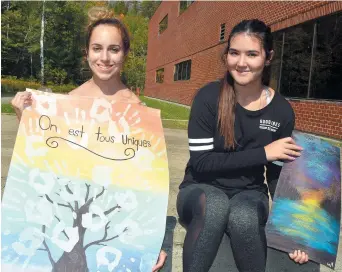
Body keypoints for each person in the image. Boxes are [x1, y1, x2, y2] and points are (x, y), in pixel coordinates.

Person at [11, 7, 167, 272]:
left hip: (110, 230)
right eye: (97, 48)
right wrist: (24, 120)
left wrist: (149, 243)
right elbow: (48, 166)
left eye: (113, 49)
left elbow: (146, 186)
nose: (104, 58)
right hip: (65, 226)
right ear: (87, 53)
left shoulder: (140, 115)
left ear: (125, 54)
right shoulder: (66, 105)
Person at [176, 19, 309, 272]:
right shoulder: (208, 97)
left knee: (243, 215)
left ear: (268, 57)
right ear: (226, 55)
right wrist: (264, 153)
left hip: (250, 193)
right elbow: (201, 163)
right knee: (215, 205)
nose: (241, 62)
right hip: (199, 189)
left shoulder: (281, 110)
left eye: (251, 54)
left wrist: (296, 233)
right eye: (234, 53)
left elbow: (277, 178)